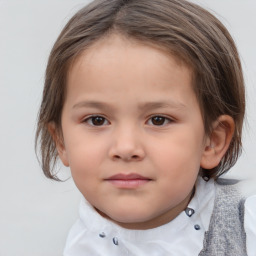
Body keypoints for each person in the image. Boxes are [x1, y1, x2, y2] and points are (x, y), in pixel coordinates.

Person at [35, 0, 256, 255]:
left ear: (212, 141)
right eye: (97, 120)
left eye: (158, 120)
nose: (126, 148)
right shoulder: (79, 248)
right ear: (61, 142)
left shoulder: (246, 231)